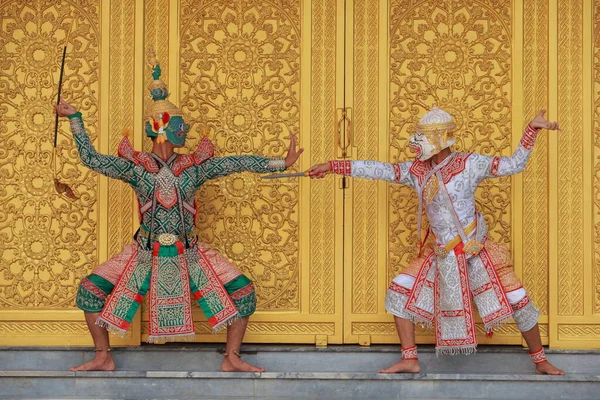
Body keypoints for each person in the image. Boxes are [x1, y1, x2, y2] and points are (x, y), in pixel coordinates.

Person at [56, 50, 303, 372]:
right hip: (144, 251)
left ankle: (232, 358)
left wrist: (280, 163)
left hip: (190, 252)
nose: (186, 131)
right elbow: (92, 160)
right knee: (89, 292)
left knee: (244, 293)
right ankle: (103, 355)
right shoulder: (137, 168)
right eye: (180, 125)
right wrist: (75, 118)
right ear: (161, 126)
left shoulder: (193, 167)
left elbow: (233, 163)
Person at [308, 106, 564, 375]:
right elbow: (379, 169)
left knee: (518, 299)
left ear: (440, 138)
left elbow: (515, 164)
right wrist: (333, 166)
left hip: (476, 250)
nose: (414, 143)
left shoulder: (470, 164)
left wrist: (531, 131)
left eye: (421, 137)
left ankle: (540, 360)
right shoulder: (416, 171)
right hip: (441, 253)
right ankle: (410, 359)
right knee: (398, 291)